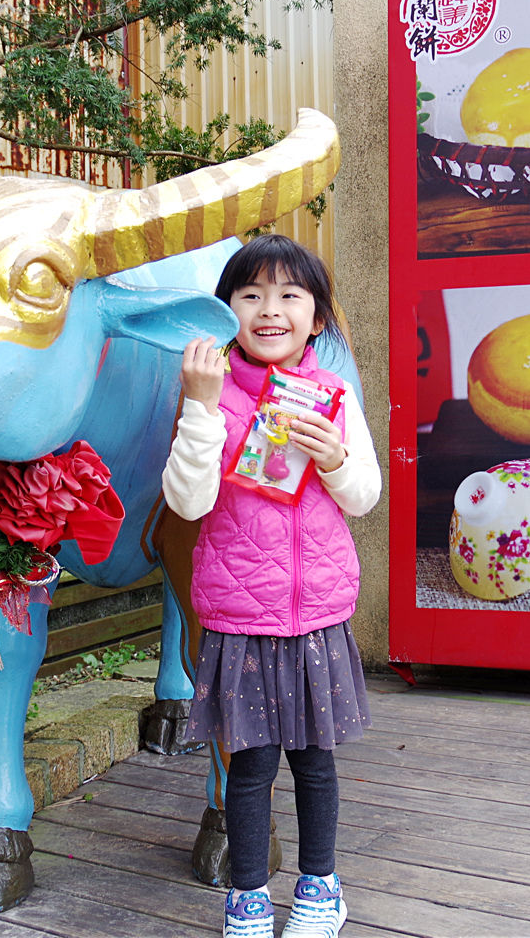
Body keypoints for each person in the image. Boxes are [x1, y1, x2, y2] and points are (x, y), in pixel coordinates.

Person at [162, 234, 381, 937]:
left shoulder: (333, 397)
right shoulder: (208, 395)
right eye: (250, 294)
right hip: (240, 617)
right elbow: (188, 504)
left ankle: (321, 889)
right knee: (249, 770)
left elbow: (364, 498)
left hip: (316, 613)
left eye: (290, 295)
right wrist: (199, 406)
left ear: (316, 317)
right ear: (228, 310)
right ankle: (248, 898)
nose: (269, 309)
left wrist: (337, 458)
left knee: (315, 767)